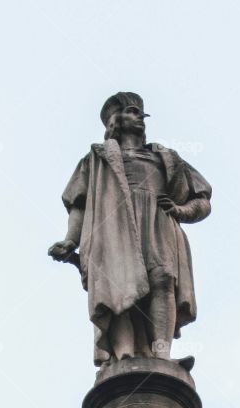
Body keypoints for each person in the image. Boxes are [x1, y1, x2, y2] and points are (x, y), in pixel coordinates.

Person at [48, 92, 211, 367]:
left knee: (163, 280)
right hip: (112, 227)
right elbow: (80, 205)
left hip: (158, 222)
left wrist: (181, 211)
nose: (140, 117)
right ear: (115, 120)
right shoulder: (95, 160)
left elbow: (203, 199)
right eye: (132, 111)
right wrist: (70, 241)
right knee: (119, 287)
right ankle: (124, 356)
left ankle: (162, 356)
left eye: (140, 112)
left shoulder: (166, 157)